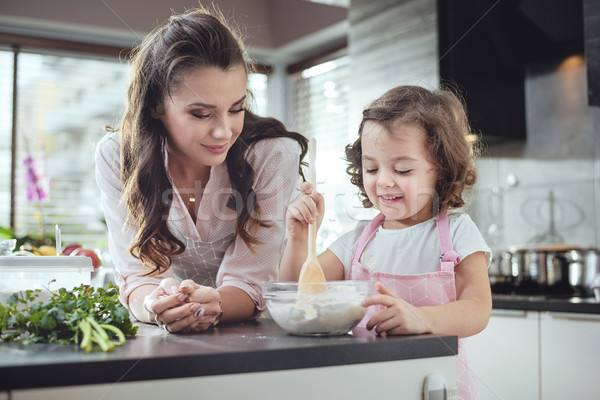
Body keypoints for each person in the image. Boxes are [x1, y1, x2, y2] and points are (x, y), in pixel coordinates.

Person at [95, 6, 308, 334]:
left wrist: (213, 306)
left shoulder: (273, 154)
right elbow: (139, 276)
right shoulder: (117, 156)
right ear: (156, 106)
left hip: (253, 330)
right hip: (168, 328)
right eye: (200, 114)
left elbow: (251, 281)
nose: (224, 131)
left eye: (236, 108)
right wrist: (156, 307)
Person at [280, 85, 491, 399]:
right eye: (372, 168)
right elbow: (299, 291)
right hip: (368, 386)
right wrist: (298, 239)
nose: (384, 181)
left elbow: (477, 309)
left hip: (435, 386)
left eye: (403, 169)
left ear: (442, 169)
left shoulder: (458, 233)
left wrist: (421, 318)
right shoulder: (357, 241)